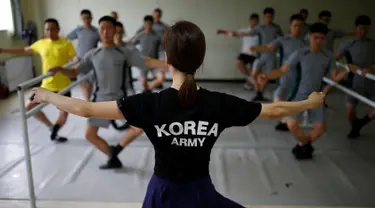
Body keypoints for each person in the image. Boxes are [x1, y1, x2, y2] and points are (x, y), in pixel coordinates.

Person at [31, 20, 325, 208]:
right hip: (200, 194)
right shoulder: (217, 104)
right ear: (200, 61)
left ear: (167, 60)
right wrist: (308, 105)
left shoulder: (149, 104)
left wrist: (45, 94)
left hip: (163, 196)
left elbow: (84, 108)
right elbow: (275, 110)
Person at [46, 16, 167, 169]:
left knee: (141, 125)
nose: (105, 31)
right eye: (102, 28)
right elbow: (75, 71)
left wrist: (169, 64)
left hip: (120, 101)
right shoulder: (93, 54)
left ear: (114, 30)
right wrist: (60, 69)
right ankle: (112, 156)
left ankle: (118, 148)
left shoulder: (124, 52)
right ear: (99, 31)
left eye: (109, 28)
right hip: (100, 101)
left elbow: (147, 61)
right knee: (90, 135)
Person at [258, 23, 343, 160]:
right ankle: (305, 144)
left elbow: (334, 76)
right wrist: (266, 76)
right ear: (309, 37)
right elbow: (282, 70)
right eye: (315, 37)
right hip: (299, 94)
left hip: (316, 96)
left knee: (320, 128)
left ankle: (302, 144)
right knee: (291, 124)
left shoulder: (328, 56)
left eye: (322, 38)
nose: (318, 41)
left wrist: (346, 72)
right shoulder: (300, 53)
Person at [0, 18, 76, 143]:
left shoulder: (66, 43)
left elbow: (73, 57)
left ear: (58, 29)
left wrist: (76, 59)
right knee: (29, 106)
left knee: (64, 114)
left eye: (53, 29)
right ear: (45, 31)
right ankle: (51, 127)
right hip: (47, 85)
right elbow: (24, 50)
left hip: (63, 86)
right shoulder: (41, 43)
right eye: (47, 29)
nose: (50, 32)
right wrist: (4, 50)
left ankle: (56, 129)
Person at [250, 14, 305, 131]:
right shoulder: (283, 40)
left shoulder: (305, 43)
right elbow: (269, 47)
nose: (298, 28)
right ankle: (285, 120)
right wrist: (257, 48)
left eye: (300, 26)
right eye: (295, 26)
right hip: (284, 74)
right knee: (278, 97)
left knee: (293, 99)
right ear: (290, 26)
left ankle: (287, 122)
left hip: (300, 76)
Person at [231, 7, 283, 101]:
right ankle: (258, 92)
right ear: (264, 17)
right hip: (260, 55)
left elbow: (281, 40)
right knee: (253, 74)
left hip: (271, 56)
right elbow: (249, 33)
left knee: (267, 76)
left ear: (273, 17)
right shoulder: (260, 28)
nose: (268, 19)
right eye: (267, 17)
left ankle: (260, 94)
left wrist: (277, 46)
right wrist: (237, 34)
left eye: (270, 17)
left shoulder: (276, 28)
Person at [336, 15, 375, 139]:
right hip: (353, 82)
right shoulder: (348, 43)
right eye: (361, 28)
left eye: (366, 29)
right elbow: (334, 60)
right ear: (356, 28)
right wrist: (347, 66)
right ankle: (355, 127)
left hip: (369, 81)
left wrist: (372, 68)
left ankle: (362, 122)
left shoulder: (372, 44)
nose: (363, 32)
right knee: (350, 112)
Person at [217, 13, 260, 90]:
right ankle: (251, 79)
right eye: (253, 21)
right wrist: (223, 32)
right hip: (245, 54)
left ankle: (249, 82)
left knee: (254, 71)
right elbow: (234, 34)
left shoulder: (260, 31)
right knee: (238, 62)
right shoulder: (245, 30)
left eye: (256, 21)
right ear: (250, 21)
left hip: (256, 55)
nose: (255, 22)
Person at [66, 9, 100, 101]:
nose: (86, 20)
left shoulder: (96, 31)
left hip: (92, 61)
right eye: (84, 18)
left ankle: (88, 99)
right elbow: (66, 40)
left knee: (89, 81)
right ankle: (87, 100)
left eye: (88, 18)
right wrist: (73, 56)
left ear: (91, 18)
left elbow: (105, 42)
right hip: (80, 60)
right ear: (81, 19)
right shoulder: (78, 30)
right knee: (82, 82)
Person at [131, 15, 164, 92]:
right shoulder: (140, 35)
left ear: (152, 24)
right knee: (143, 82)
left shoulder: (157, 36)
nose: (148, 25)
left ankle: (148, 89)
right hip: (143, 62)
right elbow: (131, 44)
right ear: (144, 24)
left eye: (150, 24)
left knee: (161, 78)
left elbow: (163, 47)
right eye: (147, 24)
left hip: (154, 62)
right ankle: (147, 90)